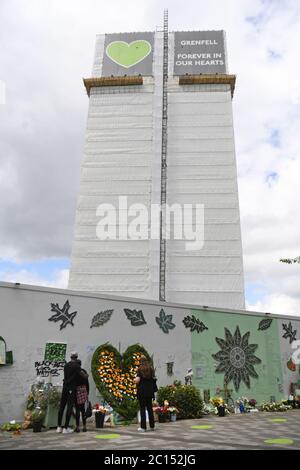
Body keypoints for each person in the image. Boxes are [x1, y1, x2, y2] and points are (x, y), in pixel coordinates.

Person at [57, 352, 81, 434]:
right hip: (71, 388)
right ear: (76, 357)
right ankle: (65, 428)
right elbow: (80, 376)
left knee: (62, 406)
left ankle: (59, 426)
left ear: (70, 357)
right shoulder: (77, 366)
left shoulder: (66, 365)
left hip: (65, 387)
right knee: (69, 407)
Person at [135, 356, 156, 432]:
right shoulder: (151, 369)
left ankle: (143, 427)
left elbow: (137, 380)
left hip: (142, 392)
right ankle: (152, 426)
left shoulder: (140, 369)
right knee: (150, 409)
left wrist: (135, 380)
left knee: (142, 409)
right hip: (150, 392)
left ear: (140, 362)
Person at [74, 360, 89, 433]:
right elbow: (87, 382)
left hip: (77, 390)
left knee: (77, 409)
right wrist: (87, 392)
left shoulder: (75, 372)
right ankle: (84, 426)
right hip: (84, 390)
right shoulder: (84, 371)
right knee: (83, 409)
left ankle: (77, 427)